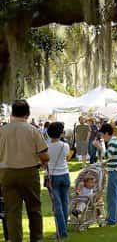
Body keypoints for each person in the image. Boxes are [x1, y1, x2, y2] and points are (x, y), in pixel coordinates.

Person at [0, 100, 50, 242]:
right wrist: (44, 161)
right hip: (29, 172)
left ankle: (14, 239)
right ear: (27, 114)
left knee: (12, 211)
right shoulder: (32, 130)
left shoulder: (2, 131)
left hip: (6, 173)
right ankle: (37, 238)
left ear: (12, 113)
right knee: (34, 208)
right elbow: (44, 155)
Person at [94, 123, 117, 225]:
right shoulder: (116, 141)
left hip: (114, 172)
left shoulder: (112, 142)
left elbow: (108, 155)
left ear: (107, 133)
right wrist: (104, 163)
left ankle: (112, 219)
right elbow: (112, 158)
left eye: (103, 135)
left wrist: (99, 147)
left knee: (111, 196)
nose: (102, 138)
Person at [46, 122, 71, 238]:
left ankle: (61, 231)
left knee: (57, 205)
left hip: (53, 176)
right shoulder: (65, 145)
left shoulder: (46, 146)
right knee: (65, 203)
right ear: (61, 133)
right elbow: (66, 157)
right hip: (65, 174)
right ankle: (63, 229)